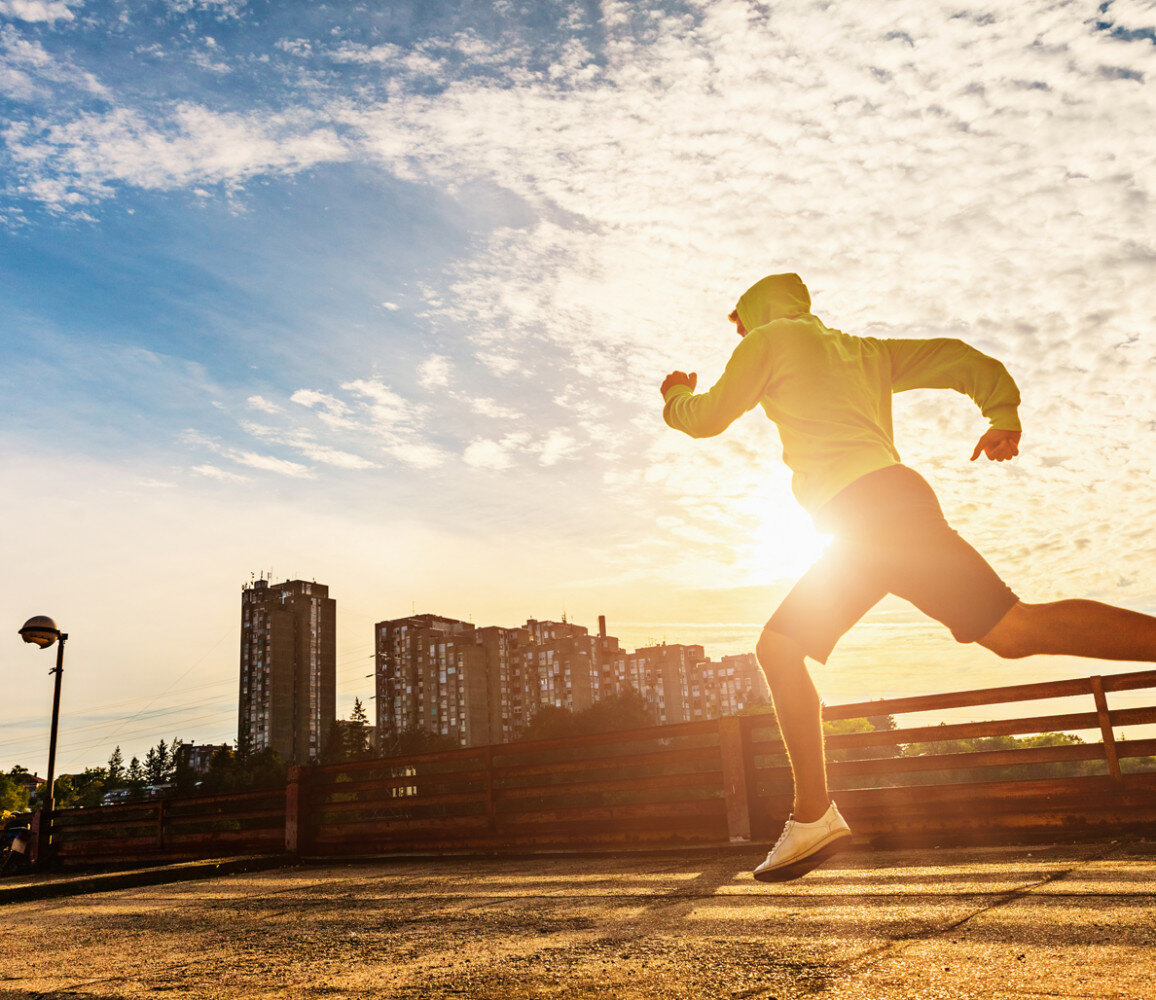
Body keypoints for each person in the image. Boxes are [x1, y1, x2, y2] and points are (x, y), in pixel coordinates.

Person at [660, 272, 1156, 882]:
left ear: (760, 310)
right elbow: (955, 356)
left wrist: (676, 396)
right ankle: (814, 815)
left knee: (1008, 630)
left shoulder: (767, 341)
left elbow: (706, 418)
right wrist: (1001, 410)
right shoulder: (863, 350)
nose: (735, 329)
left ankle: (814, 813)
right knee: (1000, 634)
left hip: (872, 516)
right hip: (875, 518)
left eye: (738, 317)